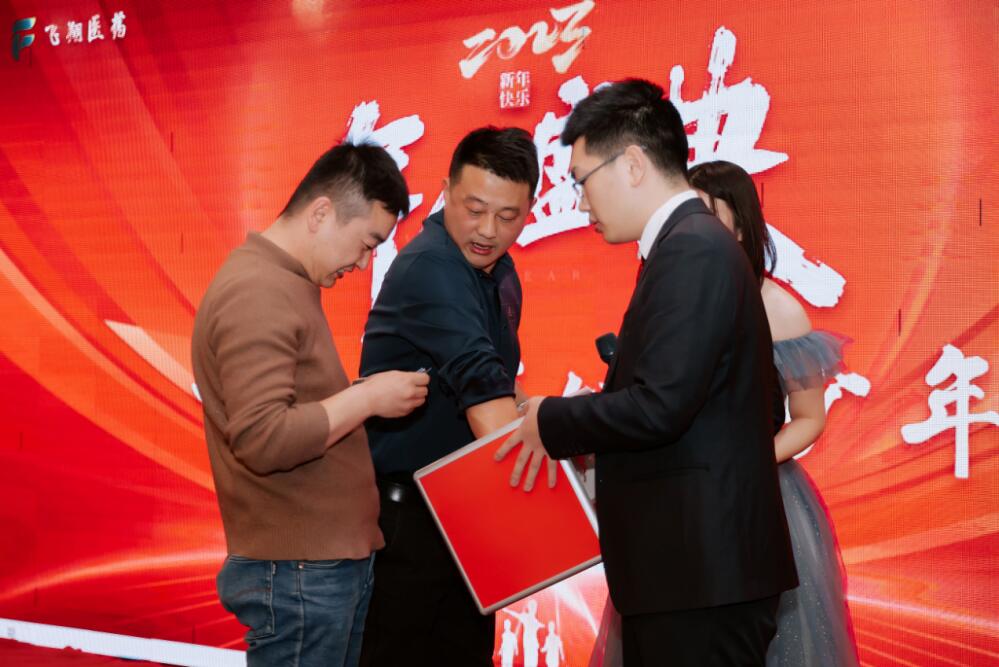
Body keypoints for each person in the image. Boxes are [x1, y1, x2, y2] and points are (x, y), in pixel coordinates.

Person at [497, 79, 797, 666]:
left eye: (582, 180)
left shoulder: (692, 249)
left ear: (632, 164)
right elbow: (750, 405)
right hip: (696, 572)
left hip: (699, 577)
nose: (581, 203)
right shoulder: (691, 245)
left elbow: (660, 406)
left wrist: (550, 419)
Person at [191, 142, 430, 667]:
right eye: (366, 243)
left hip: (314, 570)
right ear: (321, 213)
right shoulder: (258, 290)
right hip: (299, 574)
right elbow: (264, 438)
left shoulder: (283, 282)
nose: (363, 263)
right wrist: (367, 398)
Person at [357, 126, 540, 666]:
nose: (488, 230)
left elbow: (501, 380)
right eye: (474, 209)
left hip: (464, 514)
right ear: (445, 192)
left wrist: (540, 416)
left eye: (507, 216)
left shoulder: (499, 271)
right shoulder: (433, 266)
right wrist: (550, 486)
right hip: (409, 522)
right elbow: (486, 403)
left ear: (529, 211)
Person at [689, 159, 860, 667]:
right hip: (683, 498)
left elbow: (809, 418)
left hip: (761, 498)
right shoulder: (672, 301)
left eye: (705, 216)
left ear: (741, 225)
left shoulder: (779, 309)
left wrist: (749, 461)